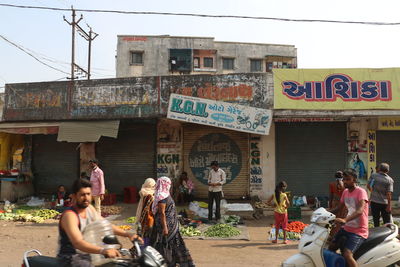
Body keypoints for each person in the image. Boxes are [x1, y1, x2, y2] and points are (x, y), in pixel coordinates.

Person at [57, 178, 140, 267]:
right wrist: (103, 250)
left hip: (87, 254)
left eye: (88, 194)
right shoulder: (70, 216)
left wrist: (128, 234)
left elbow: (105, 225)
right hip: (71, 258)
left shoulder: (89, 209)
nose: (86, 198)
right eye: (82, 195)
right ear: (73, 196)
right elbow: (78, 242)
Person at [151, 176, 195, 267]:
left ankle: (175, 261)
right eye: (168, 183)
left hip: (170, 224)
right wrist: (165, 228)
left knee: (173, 243)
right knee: (168, 244)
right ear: (164, 184)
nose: (169, 185)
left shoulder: (165, 194)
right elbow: (162, 213)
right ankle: (169, 262)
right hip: (167, 225)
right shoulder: (161, 196)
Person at [329, 168, 369, 267]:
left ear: (354, 180)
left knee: (347, 254)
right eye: (344, 179)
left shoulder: (361, 192)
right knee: (331, 248)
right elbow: (339, 207)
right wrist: (325, 213)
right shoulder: (345, 192)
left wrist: (344, 220)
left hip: (359, 230)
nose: (345, 181)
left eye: (348, 179)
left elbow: (360, 211)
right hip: (346, 227)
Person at [369, 162, 394, 227]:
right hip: (384, 203)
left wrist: (373, 192)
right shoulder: (390, 180)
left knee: (376, 220)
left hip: (374, 202)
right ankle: (387, 234)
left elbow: (368, 186)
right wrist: (389, 205)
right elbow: (389, 194)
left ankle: (376, 235)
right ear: (388, 170)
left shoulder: (373, 176)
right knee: (387, 221)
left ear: (379, 169)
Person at [136, 178, 156, 245]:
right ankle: (145, 247)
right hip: (148, 219)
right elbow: (148, 210)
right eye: (153, 185)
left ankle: (143, 246)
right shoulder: (149, 195)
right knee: (147, 235)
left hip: (143, 217)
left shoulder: (144, 192)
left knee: (143, 234)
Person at [328, 171, 347, 240]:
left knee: (334, 220)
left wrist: (330, 205)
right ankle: (341, 236)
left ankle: (332, 236)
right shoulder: (345, 184)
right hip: (343, 205)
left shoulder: (331, 184)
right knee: (342, 220)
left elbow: (331, 196)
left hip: (335, 204)